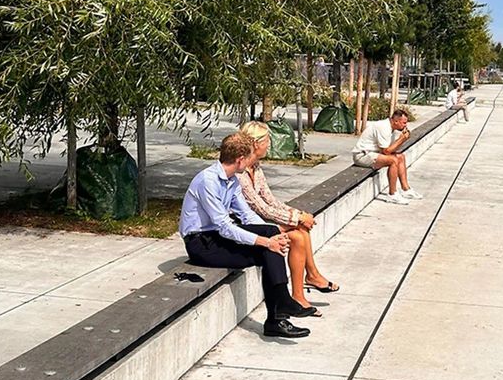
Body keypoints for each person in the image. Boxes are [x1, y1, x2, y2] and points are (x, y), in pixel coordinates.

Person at [178, 131, 314, 339]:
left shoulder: (231, 181)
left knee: (270, 240)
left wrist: (273, 236)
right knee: (266, 249)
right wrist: (265, 242)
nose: (252, 162)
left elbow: (246, 215)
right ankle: (279, 312)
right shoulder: (208, 181)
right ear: (240, 160)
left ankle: (278, 313)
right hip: (201, 244)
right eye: (249, 158)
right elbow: (224, 225)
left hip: (216, 236)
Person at [238, 121, 340, 310]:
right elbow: (261, 209)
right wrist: (297, 219)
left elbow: (270, 200)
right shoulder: (240, 173)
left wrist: (297, 213)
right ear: (255, 143)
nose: (270, 143)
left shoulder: (256, 168)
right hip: (245, 226)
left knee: (301, 230)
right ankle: (305, 285)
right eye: (267, 139)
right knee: (297, 235)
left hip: (259, 221)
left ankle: (307, 283)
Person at [352, 108, 422, 205]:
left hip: (374, 153)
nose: (406, 125)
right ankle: (392, 194)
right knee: (393, 161)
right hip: (362, 155)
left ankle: (406, 189)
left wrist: (401, 140)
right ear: (396, 121)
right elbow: (386, 151)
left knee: (400, 157)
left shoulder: (391, 128)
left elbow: (391, 149)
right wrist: (401, 140)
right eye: (404, 123)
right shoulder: (383, 127)